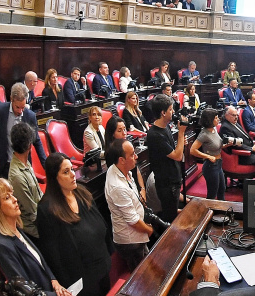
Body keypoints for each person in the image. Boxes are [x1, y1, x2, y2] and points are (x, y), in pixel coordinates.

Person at [35, 153, 111, 296]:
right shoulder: (46, 210)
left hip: (102, 266)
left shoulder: (82, 194)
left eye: (72, 169)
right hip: (81, 280)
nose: (72, 174)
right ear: (54, 178)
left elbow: (101, 225)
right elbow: (53, 256)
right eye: (66, 172)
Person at [0, 178, 71, 296]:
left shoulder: (16, 229)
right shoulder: (2, 245)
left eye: (12, 194)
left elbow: (39, 261)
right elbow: (25, 291)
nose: (15, 199)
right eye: (7, 197)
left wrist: (53, 280)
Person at [105, 139, 153, 271]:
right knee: (142, 275)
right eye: (132, 154)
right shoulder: (117, 186)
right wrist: (149, 230)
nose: (136, 156)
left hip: (137, 235)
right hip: (131, 241)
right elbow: (133, 221)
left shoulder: (118, 169)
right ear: (121, 160)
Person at [147, 94, 188, 222]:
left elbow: (173, 150)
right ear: (163, 113)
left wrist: (181, 142)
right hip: (166, 184)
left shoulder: (166, 127)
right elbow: (177, 156)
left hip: (174, 178)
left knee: (174, 212)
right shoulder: (154, 134)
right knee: (171, 218)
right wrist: (181, 133)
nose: (173, 112)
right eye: (170, 109)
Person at [0, 83, 47, 178]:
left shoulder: (30, 116)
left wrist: (45, 165)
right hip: (5, 163)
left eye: (23, 107)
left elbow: (36, 140)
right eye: (17, 107)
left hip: (23, 165)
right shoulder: (0, 111)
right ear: (11, 99)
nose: (20, 111)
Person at [8, 123, 43, 239]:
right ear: (30, 146)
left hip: (41, 216)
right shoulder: (17, 177)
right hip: (34, 230)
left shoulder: (25, 163)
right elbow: (33, 214)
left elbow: (39, 195)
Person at [219, 106, 255, 179]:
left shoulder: (233, 122)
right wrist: (251, 149)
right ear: (226, 115)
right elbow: (234, 145)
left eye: (237, 115)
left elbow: (244, 136)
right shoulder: (225, 127)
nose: (236, 117)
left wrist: (253, 143)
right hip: (240, 156)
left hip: (249, 149)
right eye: (233, 115)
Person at [190, 109, 226, 201]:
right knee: (212, 194)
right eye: (216, 118)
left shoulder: (214, 129)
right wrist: (208, 156)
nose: (218, 119)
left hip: (218, 163)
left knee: (222, 189)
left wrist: (227, 144)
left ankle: (222, 209)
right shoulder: (204, 134)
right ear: (210, 120)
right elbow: (192, 150)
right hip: (211, 166)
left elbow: (216, 146)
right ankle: (209, 210)